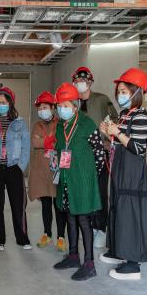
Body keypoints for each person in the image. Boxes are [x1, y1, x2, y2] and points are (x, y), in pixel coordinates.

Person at [98, 68, 147, 280]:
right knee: (117, 208)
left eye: (124, 91)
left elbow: (138, 148)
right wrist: (108, 134)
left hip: (132, 172)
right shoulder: (124, 114)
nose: (120, 95)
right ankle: (118, 249)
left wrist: (117, 132)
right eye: (119, 91)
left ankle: (132, 263)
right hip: (119, 169)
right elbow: (119, 142)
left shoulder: (140, 115)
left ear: (136, 92)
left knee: (129, 212)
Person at [51, 82, 108, 281]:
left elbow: (99, 153)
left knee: (84, 220)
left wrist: (89, 176)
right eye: (59, 105)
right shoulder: (60, 126)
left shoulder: (87, 124)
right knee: (69, 216)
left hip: (82, 180)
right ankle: (73, 256)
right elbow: (59, 150)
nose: (62, 109)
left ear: (75, 106)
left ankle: (89, 264)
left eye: (66, 105)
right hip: (66, 179)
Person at [72, 66, 117, 250]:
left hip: (99, 154)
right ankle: (87, 226)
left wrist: (107, 140)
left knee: (99, 191)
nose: (80, 84)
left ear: (90, 82)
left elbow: (114, 120)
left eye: (84, 80)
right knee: (82, 190)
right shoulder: (72, 103)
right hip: (78, 156)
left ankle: (101, 229)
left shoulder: (101, 100)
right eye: (77, 81)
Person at [0, 87, 31, 251]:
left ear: (10, 103)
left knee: (18, 205)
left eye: (3, 102)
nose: (0, 105)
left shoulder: (20, 123)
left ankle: (22, 239)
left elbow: (26, 146)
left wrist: (21, 166)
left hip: (14, 168)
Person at [29, 91, 66, 251]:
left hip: (56, 171)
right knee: (45, 205)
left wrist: (45, 141)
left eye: (45, 107)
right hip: (42, 172)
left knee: (58, 205)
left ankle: (61, 237)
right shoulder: (37, 125)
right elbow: (34, 142)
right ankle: (47, 233)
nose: (42, 111)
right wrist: (48, 141)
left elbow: (61, 142)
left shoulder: (61, 123)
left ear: (53, 108)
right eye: (40, 108)